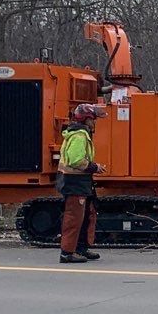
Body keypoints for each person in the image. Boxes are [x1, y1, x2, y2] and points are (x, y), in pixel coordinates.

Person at [58, 102, 105, 263]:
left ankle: (81, 248)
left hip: (81, 181)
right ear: (86, 119)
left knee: (86, 215)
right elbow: (76, 160)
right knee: (74, 217)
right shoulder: (79, 135)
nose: (95, 123)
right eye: (93, 119)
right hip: (74, 182)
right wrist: (94, 167)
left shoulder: (81, 134)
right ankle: (67, 252)